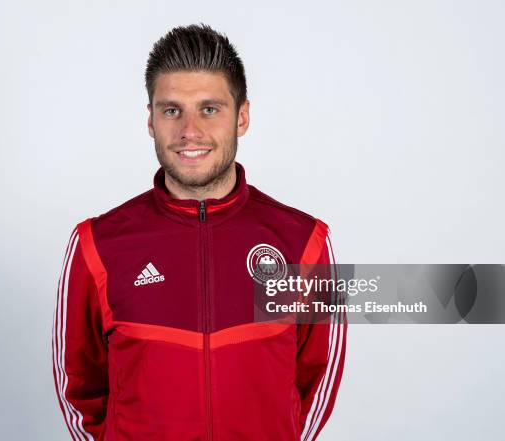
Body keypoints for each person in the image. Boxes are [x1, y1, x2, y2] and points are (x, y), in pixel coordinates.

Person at [51, 23, 347, 441]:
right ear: (151, 120)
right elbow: (78, 387)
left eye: (210, 109)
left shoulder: (305, 242)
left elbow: (317, 379)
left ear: (241, 117)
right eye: (172, 110)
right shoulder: (96, 245)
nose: (190, 131)